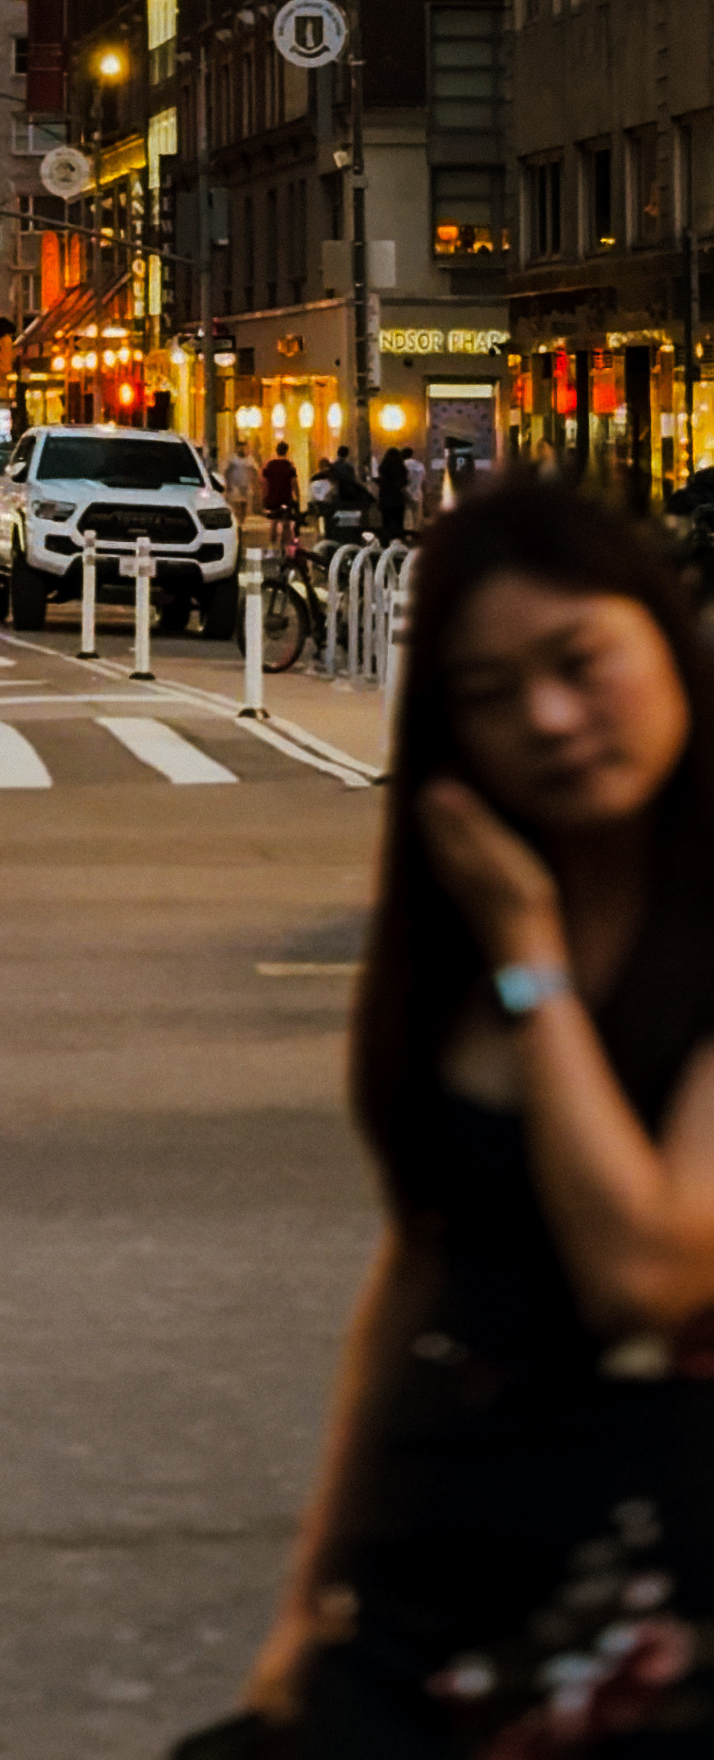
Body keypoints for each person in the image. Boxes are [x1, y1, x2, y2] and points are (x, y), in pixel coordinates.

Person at [244, 483, 714, 1752]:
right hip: (430, 1591)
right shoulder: (464, 915)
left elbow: (651, 1271)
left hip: (655, 1605)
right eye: (493, 693)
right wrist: (306, 1606)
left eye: (579, 663)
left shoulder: (524, 924)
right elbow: (418, 1265)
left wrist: (530, 957)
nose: (551, 720)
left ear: (664, 640)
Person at [260, 442, 302, 537]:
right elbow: (294, 482)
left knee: (274, 523)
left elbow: (264, 481)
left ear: (276, 451)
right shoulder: (289, 465)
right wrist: (298, 496)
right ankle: (285, 544)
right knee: (286, 523)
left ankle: (273, 545)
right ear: (287, 451)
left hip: (273, 497)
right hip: (286, 496)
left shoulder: (270, 464)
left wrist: (264, 495)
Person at [375, 443, 414, 543]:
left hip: (385, 499)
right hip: (398, 499)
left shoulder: (383, 467)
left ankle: (386, 544)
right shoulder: (401, 468)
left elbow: (381, 480)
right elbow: (405, 482)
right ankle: (398, 542)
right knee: (398, 523)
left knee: (386, 523)